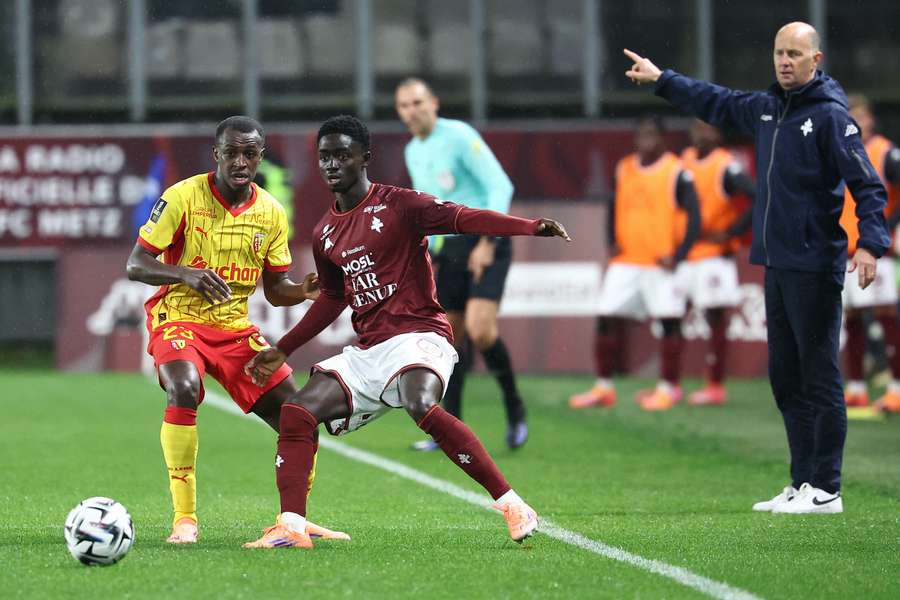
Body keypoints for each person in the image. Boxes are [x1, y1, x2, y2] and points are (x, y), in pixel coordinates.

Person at [241, 115, 570, 549]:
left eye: (342, 154)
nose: (332, 165)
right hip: (370, 351)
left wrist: (528, 226)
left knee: (420, 403)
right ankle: (292, 527)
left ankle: (512, 504)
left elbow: (463, 217)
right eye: (325, 157)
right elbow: (332, 299)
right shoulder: (325, 233)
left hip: (421, 335)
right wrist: (283, 349)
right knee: (297, 412)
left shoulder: (400, 205)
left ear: (365, 158)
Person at [624, 21, 891, 513]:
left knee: (819, 375)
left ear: (817, 60)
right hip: (778, 262)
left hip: (815, 263)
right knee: (785, 376)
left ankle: (826, 488)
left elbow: (869, 186)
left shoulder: (832, 118)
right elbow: (716, 101)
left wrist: (871, 243)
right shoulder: (768, 108)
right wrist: (663, 80)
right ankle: (801, 482)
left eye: (794, 53)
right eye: (778, 53)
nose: (784, 61)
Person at [126, 116, 347, 543]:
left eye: (250, 153)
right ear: (217, 155)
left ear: (260, 156)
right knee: (185, 388)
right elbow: (136, 264)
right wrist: (185, 274)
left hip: (234, 329)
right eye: (232, 153)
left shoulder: (270, 212)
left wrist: (301, 290)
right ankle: (184, 520)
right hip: (179, 319)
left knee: (300, 415)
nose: (240, 161)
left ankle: (292, 521)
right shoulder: (182, 197)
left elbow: (276, 288)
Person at [395, 78, 528, 451]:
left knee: (481, 331)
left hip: (486, 240)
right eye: (405, 105)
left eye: (418, 102)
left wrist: (489, 241)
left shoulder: (459, 136)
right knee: (448, 340)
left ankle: (515, 410)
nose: (413, 110)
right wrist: (428, 253)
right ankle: (449, 430)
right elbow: (431, 208)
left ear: (434, 102)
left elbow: (500, 186)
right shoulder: (413, 151)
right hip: (449, 248)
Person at [568, 116, 700, 411]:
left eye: (652, 135)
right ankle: (604, 388)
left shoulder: (676, 171)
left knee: (669, 321)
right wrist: (610, 241)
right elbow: (613, 206)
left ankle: (668, 388)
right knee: (605, 315)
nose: (646, 141)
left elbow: (695, 215)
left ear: (662, 139)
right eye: (641, 135)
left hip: (660, 263)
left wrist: (679, 255)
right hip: (627, 260)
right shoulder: (625, 167)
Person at [677, 119, 756, 405]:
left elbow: (756, 196)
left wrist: (732, 231)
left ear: (718, 133)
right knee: (670, 315)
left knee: (715, 318)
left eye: (708, 128)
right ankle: (669, 383)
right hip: (685, 253)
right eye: (697, 127)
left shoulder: (726, 165)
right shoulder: (682, 160)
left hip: (713, 255)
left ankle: (714, 384)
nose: (701, 133)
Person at [837, 94, 900, 411]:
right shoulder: (842, 151)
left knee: (888, 316)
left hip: (875, 249)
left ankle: (896, 390)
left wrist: (886, 227)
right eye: (851, 114)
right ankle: (858, 387)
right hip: (846, 249)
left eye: (861, 114)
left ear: (871, 118)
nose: (856, 120)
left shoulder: (886, 153)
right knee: (853, 321)